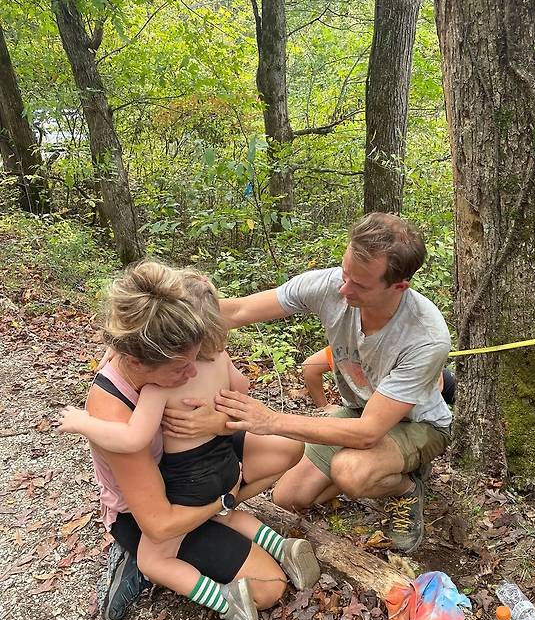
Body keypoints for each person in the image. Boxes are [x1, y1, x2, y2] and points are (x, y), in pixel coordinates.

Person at [162, 213, 453, 554]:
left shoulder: (426, 337)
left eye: (359, 285)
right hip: (359, 410)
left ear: (398, 286)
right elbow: (237, 311)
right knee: (290, 497)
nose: (344, 290)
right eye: (345, 274)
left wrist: (270, 422)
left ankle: (404, 488)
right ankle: (375, 467)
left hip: (418, 423)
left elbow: (368, 433)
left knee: (351, 472)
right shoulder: (331, 285)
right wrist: (142, 338)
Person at [59, 261, 315, 620]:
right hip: (151, 511)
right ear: (135, 361)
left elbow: (230, 353)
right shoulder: (117, 405)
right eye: (181, 368)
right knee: (269, 587)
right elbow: (158, 523)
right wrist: (224, 501)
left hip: (189, 479)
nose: (192, 374)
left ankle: (207, 527)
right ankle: (133, 559)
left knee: (285, 448)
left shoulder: (159, 351)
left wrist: (215, 421)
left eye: (194, 360)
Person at [300, 345, 456, 410]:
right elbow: (310, 368)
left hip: (433, 386)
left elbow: (437, 386)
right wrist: (324, 407)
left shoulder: (395, 346)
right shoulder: (343, 349)